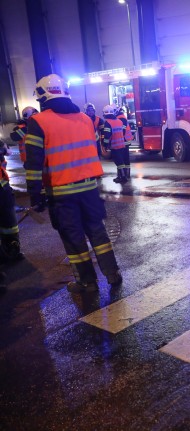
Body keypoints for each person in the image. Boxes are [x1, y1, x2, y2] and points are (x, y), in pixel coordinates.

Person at [24, 74, 122, 293]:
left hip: (62, 192)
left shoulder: (38, 121)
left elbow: (33, 163)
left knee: (73, 237)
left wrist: (35, 194)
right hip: (89, 189)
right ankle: (113, 273)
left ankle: (87, 282)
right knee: (97, 232)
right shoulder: (85, 119)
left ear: (42, 95)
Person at [0, 139, 23, 261]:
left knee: (9, 224)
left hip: (3, 190)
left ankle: (11, 251)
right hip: (2, 191)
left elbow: (8, 152)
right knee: (8, 222)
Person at [101, 104, 129, 183]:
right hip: (122, 145)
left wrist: (105, 145)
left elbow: (107, 136)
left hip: (115, 146)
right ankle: (122, 176)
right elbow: (122, 132)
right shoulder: (119, 121)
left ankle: (123, 177)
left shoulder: (108, 123)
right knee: (121, 161)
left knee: (119, 162)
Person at [115, 106, 133, 180]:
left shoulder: (120, 117)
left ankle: (123, 175)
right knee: (126, 159)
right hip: (126, 140)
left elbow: (122, 130)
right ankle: (127, 174)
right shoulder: (122, 116)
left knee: (121, 159)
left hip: (123, 141)